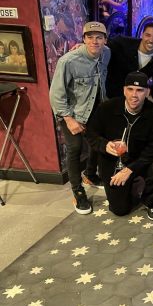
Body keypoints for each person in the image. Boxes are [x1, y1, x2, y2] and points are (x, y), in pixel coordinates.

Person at [86, 72, 153, 220]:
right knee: (119, 210)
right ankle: (131, 186)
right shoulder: (107, 108)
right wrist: (104, 145)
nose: (134, 95)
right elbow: (91, 133)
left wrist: (130, 170)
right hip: (113, 160)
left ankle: (150, 201)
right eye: (130, 89)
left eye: (140, 90)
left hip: (141, 160)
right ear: (124, 90)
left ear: (147, 92)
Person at [49, 21, 111, 214]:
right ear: (83, 39)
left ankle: (90, 174)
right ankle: (78, 192)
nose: (95, 41)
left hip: (95, 109)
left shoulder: (106, 53)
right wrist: (69, 120)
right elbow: (56, 95)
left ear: (105, 39)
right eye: (90, 37)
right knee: (75, 148)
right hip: (71, 112)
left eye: (99, 37)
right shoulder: (68, 61)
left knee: (98, 142)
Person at [106, 21, 153, 106]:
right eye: (148, 35)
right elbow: (104, 48)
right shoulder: (123, 43)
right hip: (112, 96)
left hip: (135, 99)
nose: (151, 40)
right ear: (142, 35)